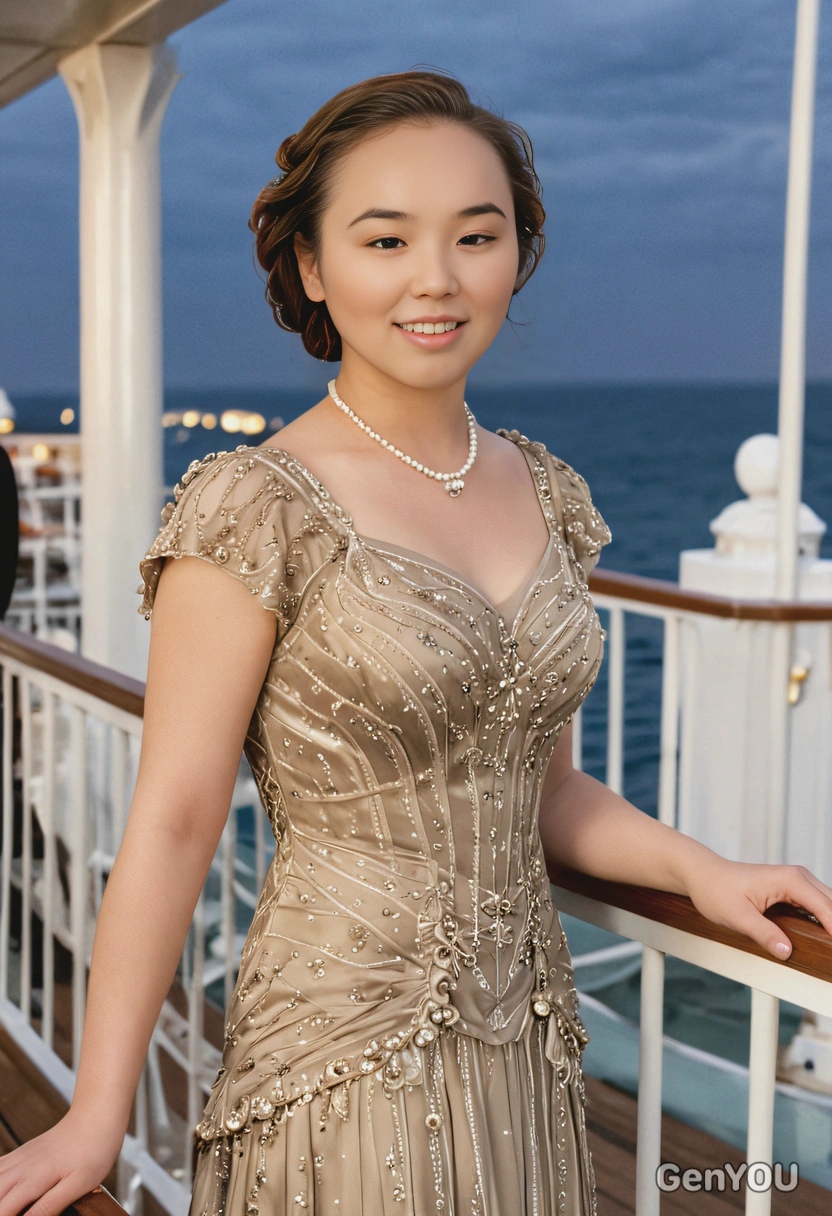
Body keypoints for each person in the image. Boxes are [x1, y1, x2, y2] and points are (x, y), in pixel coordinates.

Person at [2, 69, 831, 1216]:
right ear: (311, 266)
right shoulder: (257, 506)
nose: (435, 279)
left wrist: (705, 870)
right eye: (385, 239)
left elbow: (541, 789)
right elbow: (177, 817)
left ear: (517, 253)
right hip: (340, 1059)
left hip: (526, 1051)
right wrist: (98, 1114)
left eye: (475, 236)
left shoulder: (546, 490)